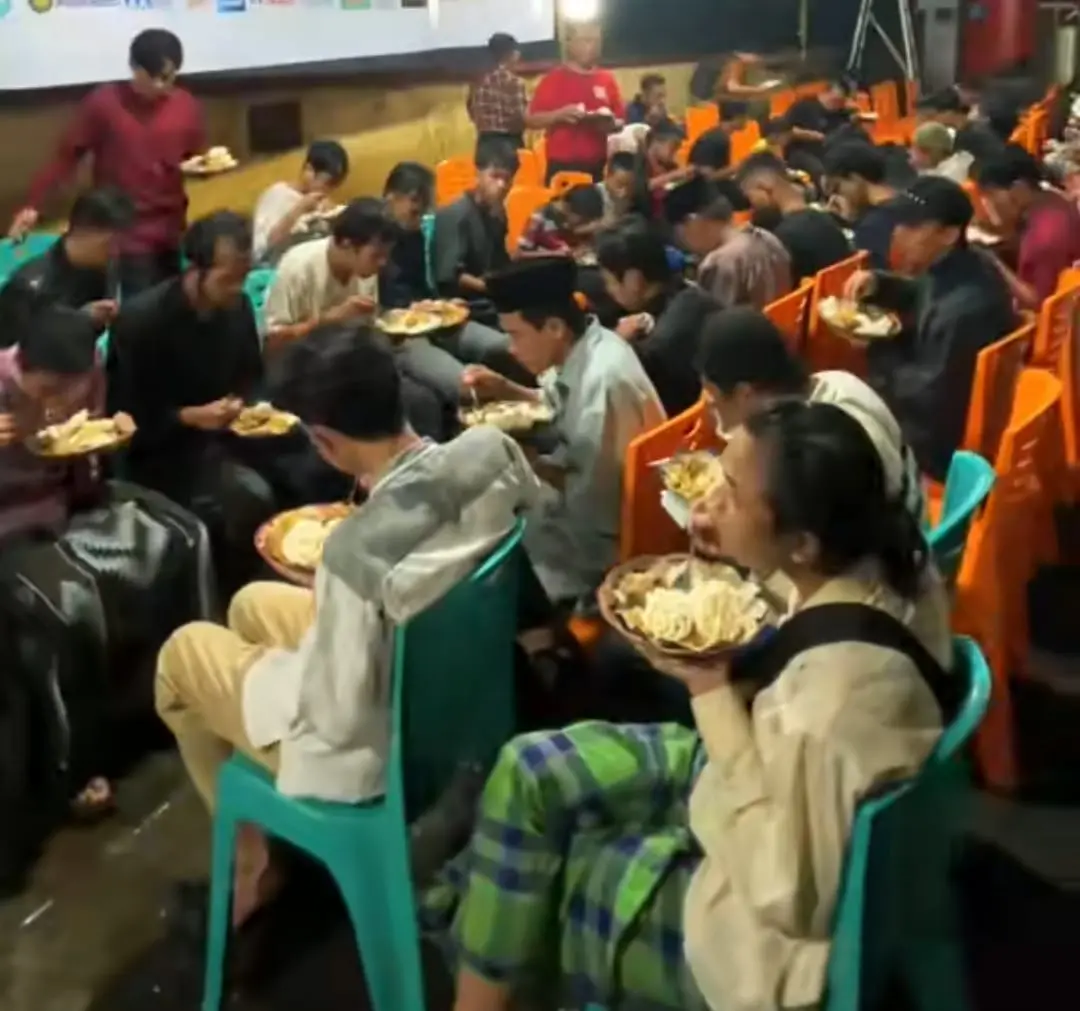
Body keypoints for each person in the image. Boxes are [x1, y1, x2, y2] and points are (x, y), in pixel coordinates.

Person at [421, 399, 953, 1011]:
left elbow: (787, 893)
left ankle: (467, 943)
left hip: (751, 950)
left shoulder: (827, 705)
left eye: (732, 491)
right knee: (528, 767)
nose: (711, 501)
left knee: (551, 866)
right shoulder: (883, 564)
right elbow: (795, 634)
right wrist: (733, 561)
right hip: (760, 773)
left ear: (803, 542)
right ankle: (468, 905)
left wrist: (707, 690)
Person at [155, 324, 539, 927]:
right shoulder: (492, 452)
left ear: (325, 440)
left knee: (182, 654)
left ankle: (252, 864)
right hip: (463, 695)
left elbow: (336, 720)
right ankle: (271, 843)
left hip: (383, 757)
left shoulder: (352, 554)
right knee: (252, 603)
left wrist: (280, 673)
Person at [0, 303, 213, 845]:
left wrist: (109, 433)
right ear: (23, 365)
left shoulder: (86, 370)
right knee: (70, 607)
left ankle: (178, 694)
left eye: (71, 388)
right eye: (49, 389)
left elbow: (86, 444)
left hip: (74, 497)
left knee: (183, 538)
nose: (59, 402)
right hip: (12, 519)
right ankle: (73, 767)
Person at [460, 257, 664, 608]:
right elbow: (557, 400)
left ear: (554, 327)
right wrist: (505, 388)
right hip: (597, 499)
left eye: (516, 335)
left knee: (490, 519)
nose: (511, 348)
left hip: (607, 542)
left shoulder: (603, 383)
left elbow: (593, 505)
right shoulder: (595, 342)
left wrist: (531, 465)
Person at [107, 212, 277, 592]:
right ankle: (228, 597)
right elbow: (122, 416)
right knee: (243, 500)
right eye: (228, 279)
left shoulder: (237, 308)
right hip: (161, 450)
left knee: (301, 460)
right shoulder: (142, 322)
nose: (238, 288)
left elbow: (252, 377)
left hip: (225, 435)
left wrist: (248, 405)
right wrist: (187, 417)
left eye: (244, 277)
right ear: (195, 269)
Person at [844, 176, 1017, 482]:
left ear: (949, 233)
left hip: (935, 448)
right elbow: (924, 293)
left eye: (913, 227)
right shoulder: (963, 265)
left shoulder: (965, 310)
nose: (899, 233)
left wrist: (874, 346)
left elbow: (926, 397)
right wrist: (879, 285)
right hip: (942, 410)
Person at [9, 30, 206, 296]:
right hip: (125, 234)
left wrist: (195, 166)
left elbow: (194, 157)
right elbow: (67, 156)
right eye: (154, 77)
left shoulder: (186, 105)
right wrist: (34, 204)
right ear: (134, 67)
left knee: (170, 307)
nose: (162, 86)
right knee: (136, 309)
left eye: (169, 78)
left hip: (171, 230)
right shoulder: (105, 104)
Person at [696, 306, 924, 523]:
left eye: (711, 393)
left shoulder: (815, 446)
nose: (707, 402)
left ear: (744, 393)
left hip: (901, 537)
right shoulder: (835, 380)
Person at [597, 218, 720, 414]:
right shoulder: (698, 295)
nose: (608, 290)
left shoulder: (649, 352)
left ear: (634, 280)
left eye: (609, 281)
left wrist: (617, 343)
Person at [0, 187, 134, 345]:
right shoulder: (27, 287)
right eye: (111, 244)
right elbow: (11, 352)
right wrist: (78, 321)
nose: (117, 252)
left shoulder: (106, 263)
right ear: (86, 234)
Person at [665, 176, 792, 311]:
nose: (683, 243)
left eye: (680, 233)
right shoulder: (768, 238)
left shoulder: (720, 262)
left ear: (693, 222)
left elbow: (713, 319)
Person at [975, 144, 1080, 307]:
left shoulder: (1044, 238)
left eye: (991, 194)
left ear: (1019, 189)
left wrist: (993, 262)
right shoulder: (1051, 198)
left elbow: (1037, 302)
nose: (987, 203)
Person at [433, 139, 516, 326]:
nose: (502, 185)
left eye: (507, 179)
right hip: (463, 310)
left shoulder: (498, 212)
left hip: (492, 302)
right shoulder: (455, 214)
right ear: (478, 174)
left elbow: (500, 261)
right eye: (495, 176)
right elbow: (451, 277)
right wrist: (492, 288)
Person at [528, 22, 625, 182]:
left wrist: (610, 125)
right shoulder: (553, 79)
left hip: (597, 166)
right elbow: (531, 119)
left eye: (597, 41)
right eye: (586, 40)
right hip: (562, 167)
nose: (593, 46)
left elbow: (621, 120)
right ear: (570, 44)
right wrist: (559, 116)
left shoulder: (607, 79)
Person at [737, 151, 852, 281]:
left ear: (764, 187)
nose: (752, 206)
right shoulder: (829, 220)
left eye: (750, 197)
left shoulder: (783, 241)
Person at [251, 140, 350, 263]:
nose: (329, 190)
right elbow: (267, 248)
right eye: (327, 183)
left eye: (334, 185)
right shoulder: (278, 195)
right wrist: (300, 209)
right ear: (309, 171)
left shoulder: (321, 203)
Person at [822, 143, 900, 269]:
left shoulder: (871, 228)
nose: (836, 197)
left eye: (837, 188)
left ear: (854, 178)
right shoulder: (908, 201)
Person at [467, 33, 540, 151]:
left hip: (484, 144)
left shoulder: (477, 82)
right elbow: (521, 119)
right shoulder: (514, 82)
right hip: (509, 144)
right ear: (512, 54)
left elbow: (471, 111)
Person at [783, 78, 858, 173]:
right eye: (841, 99)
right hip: (802, 152)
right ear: (832, 92)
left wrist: (853, 120)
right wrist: (811, 135)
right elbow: (784, 130)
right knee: (818, 168)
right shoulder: (804, 106)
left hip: (829, 155)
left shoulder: (843, 116)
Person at [517, 184, 606, 255]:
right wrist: (560, 254)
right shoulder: (539, 218)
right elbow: (521, 253)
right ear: (567, 207)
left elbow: (586, 242)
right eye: (584, 220)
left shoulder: (573, 220)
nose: (586, 223)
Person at [629, 121, 692, 220]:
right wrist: (673, 176)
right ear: (657, 142)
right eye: (673, 147)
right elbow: (640, 188)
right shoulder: (637, 162)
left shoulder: (670, 166)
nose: (675, 152)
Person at [596, 151, 637, 222]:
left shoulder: (637, 200)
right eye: (619, 185)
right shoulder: (592, 196)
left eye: (630, 187)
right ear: (606, 173)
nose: (624, 193)